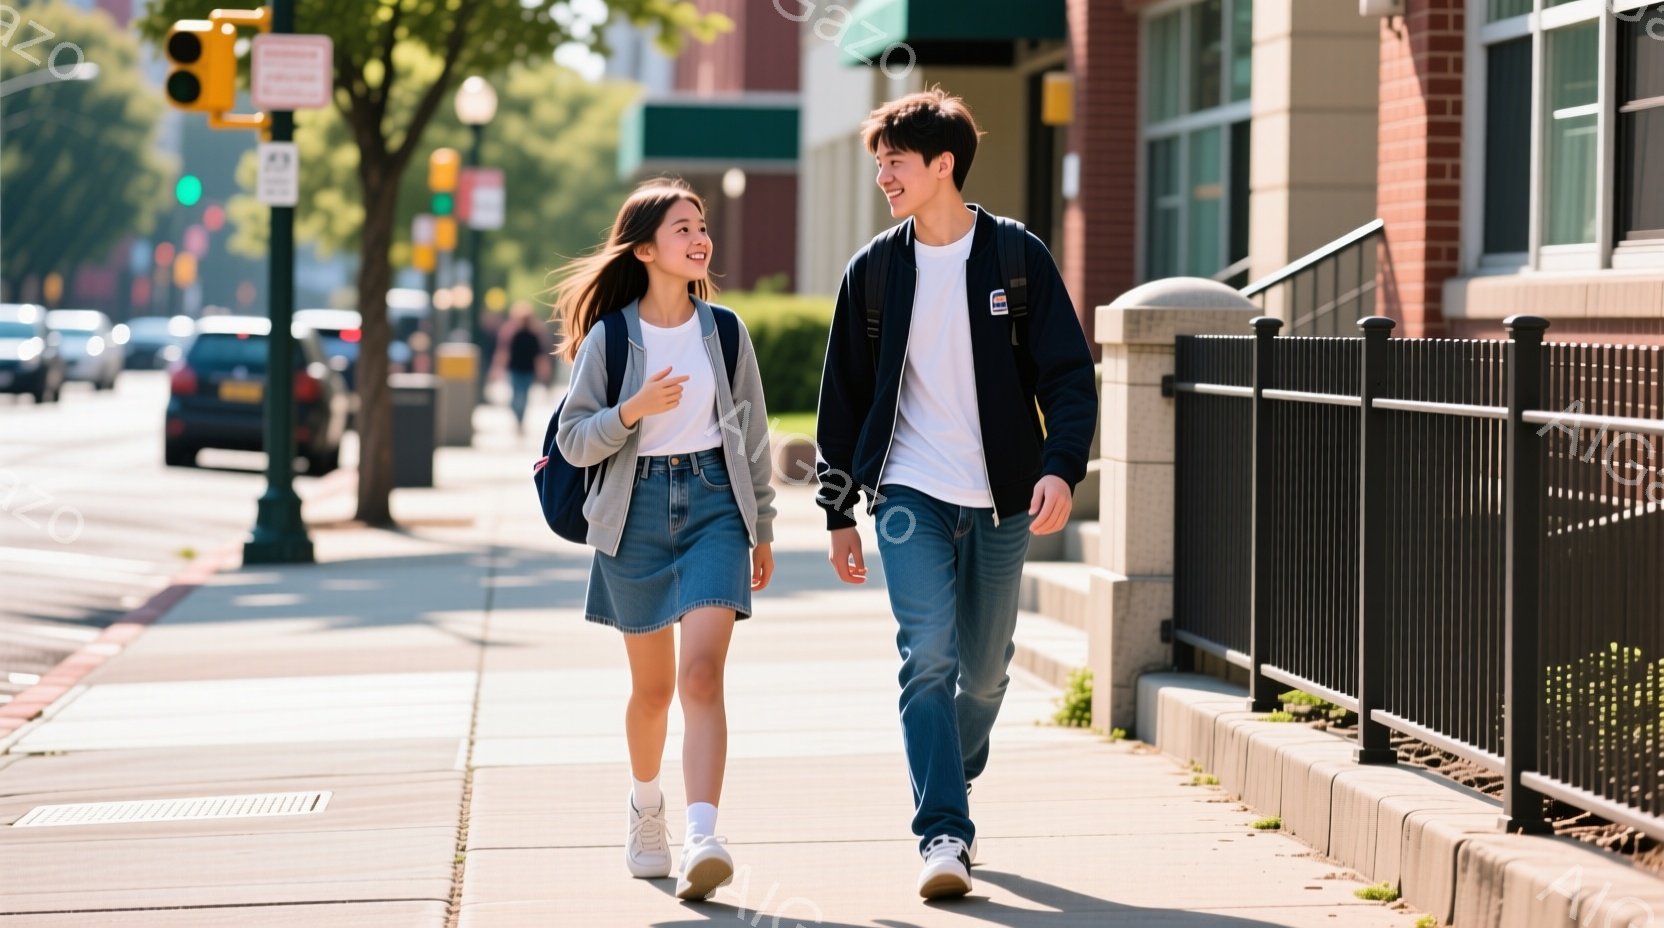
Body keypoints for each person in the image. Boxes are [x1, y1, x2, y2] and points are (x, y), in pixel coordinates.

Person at [814, 89, 1099, 900]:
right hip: (909, 494)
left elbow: (1068, 377)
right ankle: (943, 832)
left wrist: (1059, 465)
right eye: (878, 165)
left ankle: (953, 765)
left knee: (983, 674)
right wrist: (838, 511)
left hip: (1004, 498)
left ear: (943, 165)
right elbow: (843, 400)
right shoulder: (873, 271)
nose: (883, 178)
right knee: (928, 656)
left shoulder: (1016, 257)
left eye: (895, 163)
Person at [553, 179, 777, 901]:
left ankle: (704, 836)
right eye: (683, 228)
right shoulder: (612, 337)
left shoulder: (727, 331)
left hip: (715, 504)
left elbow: (752, 435)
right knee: (651, 693)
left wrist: (762, 526)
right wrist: (632, 409)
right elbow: (574, 440)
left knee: (701, 676)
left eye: (702, 225)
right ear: (646, 249)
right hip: (636, 513)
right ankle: (647, 806)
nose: (699, 237)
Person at [492, 301, 551, 433]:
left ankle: (520, 421)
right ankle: (518, 418)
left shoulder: (535, 335)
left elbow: (539, 355)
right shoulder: (511, 333)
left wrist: (543, 369)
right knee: (514, 397)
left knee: (523, 396)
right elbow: (504, 351)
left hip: (528, 370)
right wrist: (498, 367)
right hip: (514, 369)